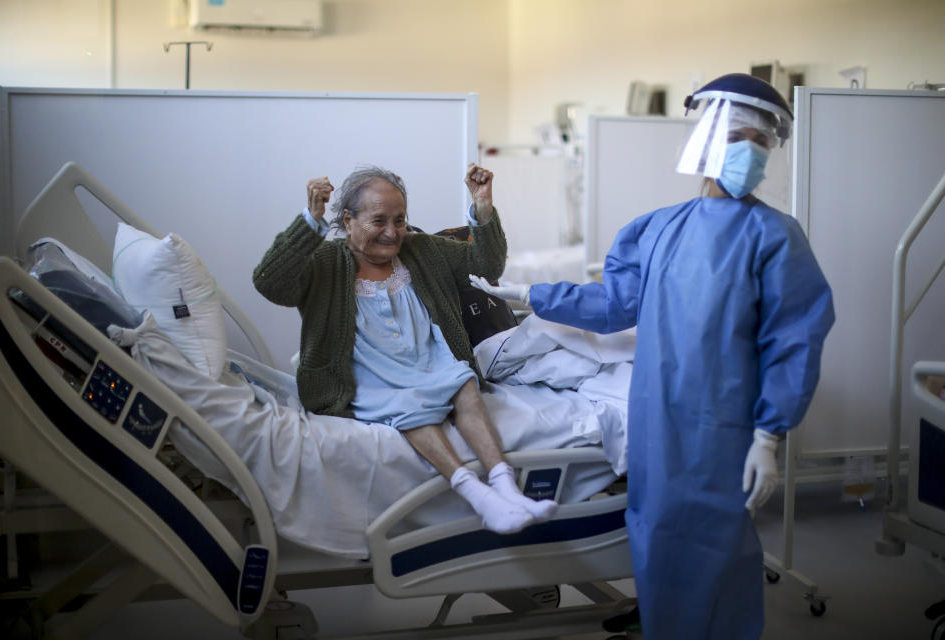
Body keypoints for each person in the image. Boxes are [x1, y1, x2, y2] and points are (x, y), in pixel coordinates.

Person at [471, 73, 835, 639]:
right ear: (710, 143)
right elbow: (616, 304)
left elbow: (795, 340)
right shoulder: (660, 229)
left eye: (761, 144)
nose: (751, 153)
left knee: (718, 540)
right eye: (739, 138)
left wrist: (770, 435)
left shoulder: (775, 237)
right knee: (657, 532)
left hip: (725, 423)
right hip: (656, 415)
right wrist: (534, 294)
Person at [253, 163, 557, 536]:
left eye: (399, 220)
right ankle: (479, 496)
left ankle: (507, 487)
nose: (392, 232)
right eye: (379, 220)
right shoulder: (325, 262)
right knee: (410, 405)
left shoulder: (420, 249)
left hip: (428, 356)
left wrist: (482, 208)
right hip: (368, 370)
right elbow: (270, 283)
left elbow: (486, 264)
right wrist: (309, 222)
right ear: (348, 220)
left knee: (464, 385)